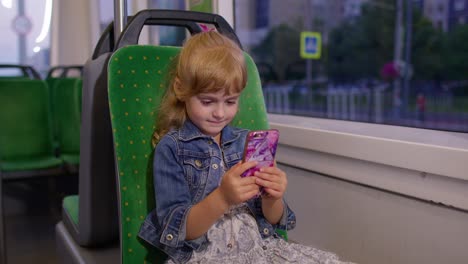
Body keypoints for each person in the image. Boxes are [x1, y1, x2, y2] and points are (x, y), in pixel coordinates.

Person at [139, 31, 354, 264]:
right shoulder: (171, 148)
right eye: (207, 101)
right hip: (207, 255)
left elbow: (271, 220)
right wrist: (222, 197)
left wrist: (274, 197)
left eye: (230, 101)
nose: (220, 113)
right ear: (182, 90)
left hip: (261, 249)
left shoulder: (247, 143)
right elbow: (180, 229)